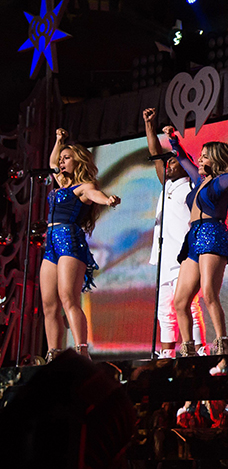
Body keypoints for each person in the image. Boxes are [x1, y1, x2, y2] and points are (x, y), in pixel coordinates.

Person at [165, 126, 228, 355]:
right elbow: (181, 157)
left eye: (205, 156)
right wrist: (172, 138)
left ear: (216, 159)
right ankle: (188, 348)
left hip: (212, 235)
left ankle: (222, 343)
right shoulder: (197, 180)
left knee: (209, 293)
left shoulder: (220, 182)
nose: (199, 159)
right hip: (193, 237)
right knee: (180, 301)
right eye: (200, 155)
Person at [42, 129, 121, 361]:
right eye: (61, 158)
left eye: (67, 157)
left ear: (78, 160)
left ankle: (81, 352)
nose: (61, 161)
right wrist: (58, 140)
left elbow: (95, 194)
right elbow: (51, 162)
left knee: (68, 298)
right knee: (49, 304)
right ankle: (53, 354)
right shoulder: (61, 183)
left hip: (69, 240)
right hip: (51, 243)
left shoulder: (83, 186)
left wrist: (107, 199)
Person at [142, 108, 206, 357]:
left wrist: (176, 148)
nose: (167, 165)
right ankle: (167, 352)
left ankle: (199, 349)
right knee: (164, 308)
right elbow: (154, 154)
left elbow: (169, 157)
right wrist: (150, 126)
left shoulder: (189, 186)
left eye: (173, 161)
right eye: (166, 162)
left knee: (189, 305)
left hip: (185, 256)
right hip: (164, 256)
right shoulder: (166, 184)